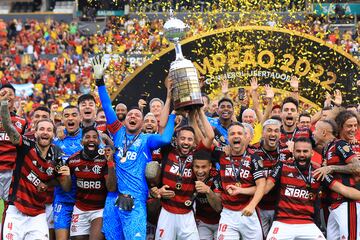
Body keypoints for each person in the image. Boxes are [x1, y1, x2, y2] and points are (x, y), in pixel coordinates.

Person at [92, 55, 176, 240]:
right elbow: (107, 106)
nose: (132, 117)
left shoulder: (147, 139)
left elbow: (166, 139)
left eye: (137, 115)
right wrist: (100, 82)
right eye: (130, 114)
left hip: (135, 200)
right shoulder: (118, 132)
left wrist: (172, 116)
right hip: (113, 198)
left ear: (142, 120)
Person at [0, 89, 71, 240]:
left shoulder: (57, 155)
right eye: (42, 129)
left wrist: (65, 175)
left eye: (49, 130)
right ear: (36, 132)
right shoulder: (25, 145)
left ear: (53, 134)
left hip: (38, 214)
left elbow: (65, 186)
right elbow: (8, 125)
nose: (45, 132)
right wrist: (4, 104)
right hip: (16, 210)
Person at [263, 138, 360, 240]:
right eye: (298, 151)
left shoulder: (318, 171)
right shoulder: (282, 166)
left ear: (312, 153)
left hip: (308, 224)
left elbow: (344, 190)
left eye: (305, 151)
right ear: (293, 152)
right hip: (282, 222)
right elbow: (264, 189)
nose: (302, 155)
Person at [153, 107, 214, 240]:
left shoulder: (197, 155)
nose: (186, 142)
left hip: (187, 214)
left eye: (190, 139)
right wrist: (173, 114)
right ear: (176, 139)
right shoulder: (168, 150)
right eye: (183, 139)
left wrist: (199, 110)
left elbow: (210, 136)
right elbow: (162, 128)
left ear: (194, 142)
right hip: (166, 212)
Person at [215, 122, 266, 240]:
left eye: (239, 133)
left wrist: (251, 205)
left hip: (248, 211)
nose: (236, 136)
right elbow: (206, 137)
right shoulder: (221, 155)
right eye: (232, 134)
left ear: (245, 137)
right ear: (227, 138)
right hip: (228, 213)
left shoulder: (254, 158)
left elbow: (261, 185)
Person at [312, 119, 360, 239]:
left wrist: (331, 168)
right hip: (333, 205)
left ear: (323, 132)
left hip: (346, 203)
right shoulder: (326, 149)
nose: (313, 133)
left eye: (315, 130)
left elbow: (357, 167)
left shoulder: (340, 144)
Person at [68, 126, 117, 240]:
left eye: (95, 137)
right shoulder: (72, 160)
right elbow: (65, 185)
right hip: (79, 209)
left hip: (99, 210)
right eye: (87, 137)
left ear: (99, 141)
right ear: (81, 141)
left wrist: (110, 162)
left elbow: (111, 188)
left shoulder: (104, 159)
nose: (91, 139)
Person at [249, 119, 291, 237]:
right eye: (269, 130)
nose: (273, 134)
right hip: (259, 206)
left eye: (276, 131)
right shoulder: (252, 150)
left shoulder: (288, 151)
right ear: (262, 133)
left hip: (280, 207)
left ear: (280, 134)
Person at [53, 106, 83, 240]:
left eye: (74, 115)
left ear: (80, 118)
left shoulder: (90, 138)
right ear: (63, 119)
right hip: (62, 200)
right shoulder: (56, 142)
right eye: (66, 115)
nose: (70, 118)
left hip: (83, 202)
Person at [0, 84, 26, 202]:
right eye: (3, 93)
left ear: (15, 97)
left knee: (10, 206)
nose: (7, 96)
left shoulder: (22, 122)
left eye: (10, 94)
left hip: (12, 172)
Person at [192, 149, 222, 240]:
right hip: (202, 222)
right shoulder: (190, 176)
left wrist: (208, 191)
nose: (200, 171)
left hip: (219, 221)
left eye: (203, 167)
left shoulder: (216, 176)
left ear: (210, 166)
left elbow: (218, 207)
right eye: (197, 167)